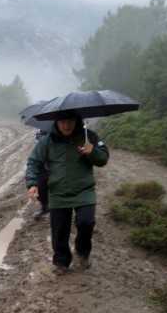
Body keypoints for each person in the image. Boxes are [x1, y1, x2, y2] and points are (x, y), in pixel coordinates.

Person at [25, 111, 109, 274]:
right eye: (62, 121)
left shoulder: (88, 136)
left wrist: (92, 151)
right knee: (59, 230)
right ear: (56, 123)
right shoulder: (47, 141)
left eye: (70, 121)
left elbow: (103, 160)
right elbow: (33, 162)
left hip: (84, 191)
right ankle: (61, 263)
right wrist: (32, 184)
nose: (66, 125)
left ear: (76, 121)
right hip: (58, 192)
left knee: (86, 223)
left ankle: (82, 252)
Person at [33, 130, 50, 218]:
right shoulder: (39, 132)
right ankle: (45, 207)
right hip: (42, 164)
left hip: (56, 163)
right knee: (40, 187)